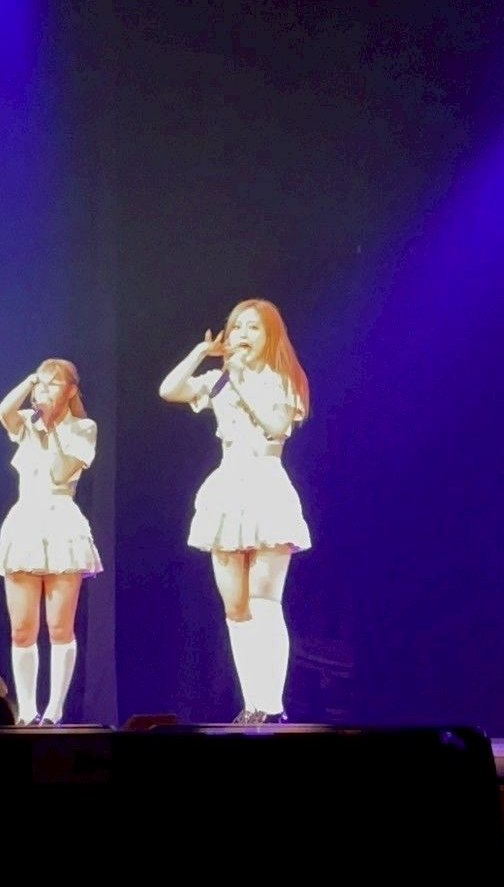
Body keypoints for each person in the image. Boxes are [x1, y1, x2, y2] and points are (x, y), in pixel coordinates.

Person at [159, 299, 311, 723]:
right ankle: (253, 702)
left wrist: (239, 381)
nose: (243, 334)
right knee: (236, 607)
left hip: (266, 484)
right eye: (238, 326)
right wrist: (201, 353)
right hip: (228, 487)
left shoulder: (284, 381)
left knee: (265, 600)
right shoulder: (219, 379)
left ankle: (272, 705)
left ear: (270, 336)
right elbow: (169, 390)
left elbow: (275, 427)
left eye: (253, 327)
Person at [0, 359, 102, 725]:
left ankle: (54, 710)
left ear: (71, 390)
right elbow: (3, 411)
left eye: (53, 384)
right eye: (41, 385)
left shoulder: (84, 428)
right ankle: (27, 710)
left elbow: (59, 472)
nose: (44, 391)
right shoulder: (26, 421)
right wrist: (29, 382)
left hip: (61, 522)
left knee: (59, 627)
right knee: (22, 629)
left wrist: (51, 428)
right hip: (25, 521)